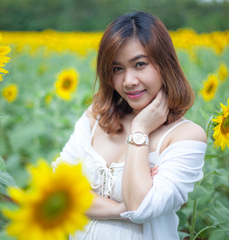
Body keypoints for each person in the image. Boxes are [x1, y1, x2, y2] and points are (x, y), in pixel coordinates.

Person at [52, 11, 207, 240]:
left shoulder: (186, 136)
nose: (128, 81)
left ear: (165, 64)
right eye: (117, 69)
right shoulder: (96, 119)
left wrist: (140, 131)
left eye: (140, 64)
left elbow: (140, 206)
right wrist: (118, 209)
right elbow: (57, 190)